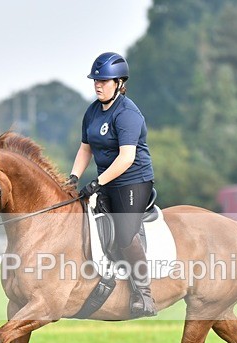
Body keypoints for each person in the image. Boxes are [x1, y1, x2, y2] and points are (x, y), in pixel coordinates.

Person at [70, 52, 157, 318]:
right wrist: (73, 178)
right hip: (107, 182)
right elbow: (86, 148)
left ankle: (145, 293)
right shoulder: (93, 110)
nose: (98, 85)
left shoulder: (127, 113)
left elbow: (126, 157)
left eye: (104, 81)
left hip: (133, 182)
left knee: (124, 234)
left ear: (119, 83)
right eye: (96, 80)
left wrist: (96, 182)